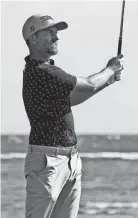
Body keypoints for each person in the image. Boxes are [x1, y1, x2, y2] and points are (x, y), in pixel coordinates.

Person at [22, 14, 124, 218]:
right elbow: (89, 83)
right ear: (33, 38)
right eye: (49, 32)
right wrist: (110, 69)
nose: (56, 37)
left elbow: (73, 98)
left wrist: (109, 80)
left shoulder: (47, 71)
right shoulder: (40, 71)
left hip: (70, 160)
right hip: (48, 161)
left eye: (56, 33)